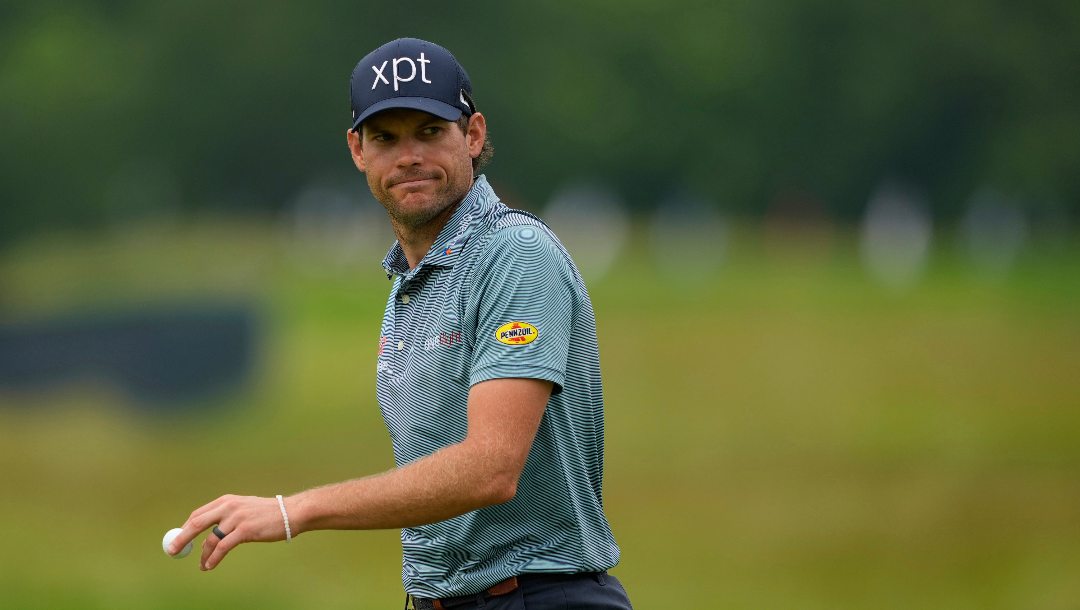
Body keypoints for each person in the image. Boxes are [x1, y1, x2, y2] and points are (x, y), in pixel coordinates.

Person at [167, 37, 632, 610]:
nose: (408, 156)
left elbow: (490, 470)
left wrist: (295, 511)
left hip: (538, 597)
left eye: (430, 132)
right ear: (357, 150)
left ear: (475, 135)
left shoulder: (516, 254)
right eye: (386, 138)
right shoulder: (409, 282)